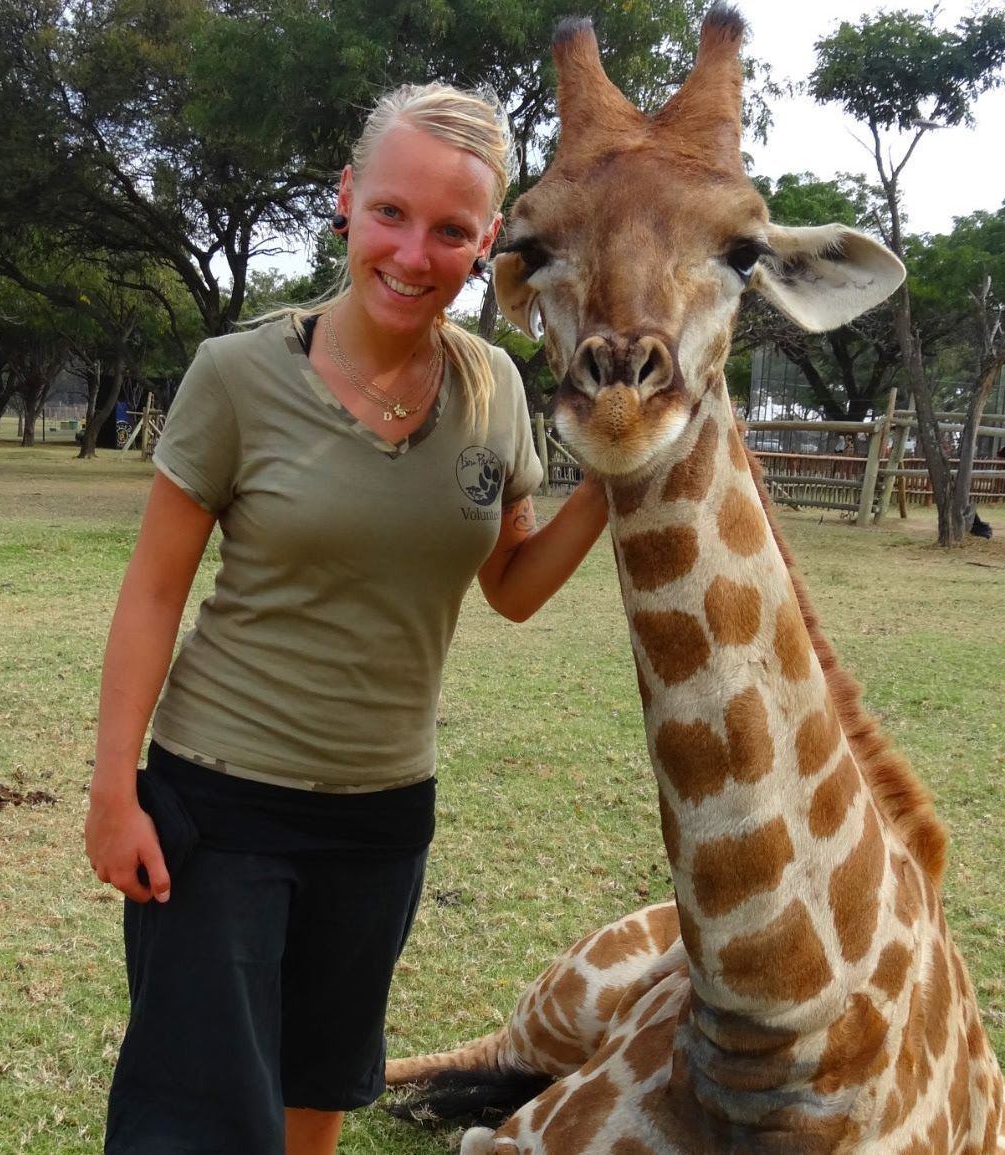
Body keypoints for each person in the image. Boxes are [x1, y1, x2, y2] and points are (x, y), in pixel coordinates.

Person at [84, 82, 609, 1155]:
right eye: (391, 214)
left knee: (315, 1091)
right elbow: (153, 591)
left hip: (382, 819)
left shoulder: (495, 392)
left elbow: (510, 587)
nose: (414, 254)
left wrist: (612, 478)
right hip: (218, 807)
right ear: (346, 199)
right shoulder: (236, 375)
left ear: (487, 242)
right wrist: (111, 789)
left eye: (450, 230)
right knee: (196, 1121)